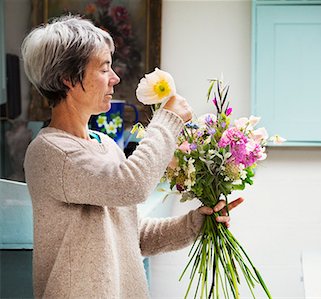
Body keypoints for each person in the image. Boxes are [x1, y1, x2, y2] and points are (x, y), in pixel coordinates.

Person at [22, 15, 243, 298]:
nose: (115, 78)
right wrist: (168, 120)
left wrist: (198, 221)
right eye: (104, 69)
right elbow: (131, 185)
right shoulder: (50, 153)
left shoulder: (104, 145)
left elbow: (135, 235)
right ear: (67, 78)